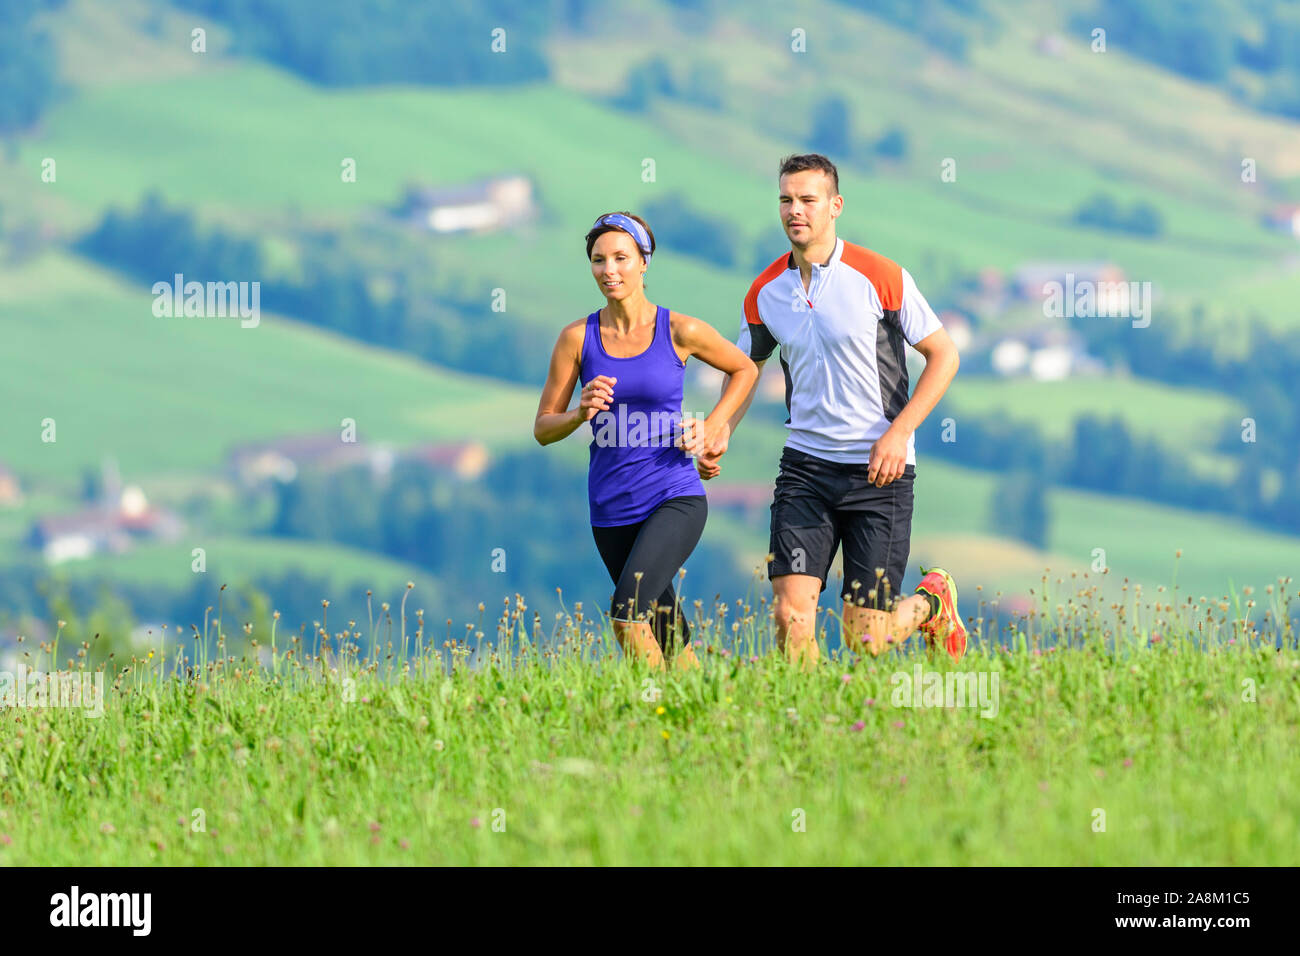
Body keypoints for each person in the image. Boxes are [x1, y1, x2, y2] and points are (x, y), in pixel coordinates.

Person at [695, 154, 967, 666]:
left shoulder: (881, 276)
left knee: (868, 639)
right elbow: (746, 368)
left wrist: (898, 432)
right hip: (806, 471)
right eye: (785, 200)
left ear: (835, 206)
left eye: (807, 200)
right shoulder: (765, 292)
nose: (794, 210)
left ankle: (933, 602)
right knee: (789, 616)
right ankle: (806, 725)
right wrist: (720, 430)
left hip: (879, 473)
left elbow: (944, 355)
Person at [535, 212, 758, 669]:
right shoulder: (577, 338)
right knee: (666, 631)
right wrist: (579, 412)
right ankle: (712, 714)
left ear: (644, 262)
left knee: (627, 616)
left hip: (674, 495)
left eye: (621, 257)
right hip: (610, 508)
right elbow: (543, 428)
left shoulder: (680, 330)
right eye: (598, 260)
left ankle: (656, 709)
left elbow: (745, 369)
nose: (609, 270)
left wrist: (714, 426)